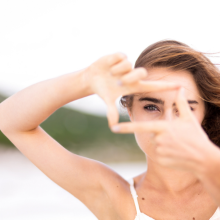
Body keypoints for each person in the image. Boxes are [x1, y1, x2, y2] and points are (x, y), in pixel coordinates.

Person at [0, 40, 220, 220]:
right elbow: (8, 120)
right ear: (131, 112)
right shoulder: (116, 197)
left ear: (203, 116)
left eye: (184, 108)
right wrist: (84, 80)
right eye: (151, 107)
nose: (167, 123)